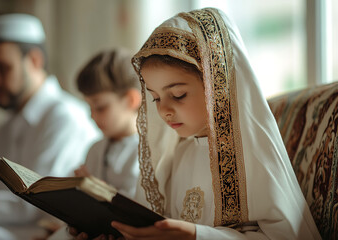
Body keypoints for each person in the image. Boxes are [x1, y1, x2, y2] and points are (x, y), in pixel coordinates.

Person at [71, 8, 322, 240]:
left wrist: (196, 236)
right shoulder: (175, 155)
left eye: (178, 94)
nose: (164, 110)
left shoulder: (254, 155)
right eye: (156, 97)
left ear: (219, 87)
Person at [0, 13, 100, 239]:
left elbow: (31, 205)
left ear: (34, 60)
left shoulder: (66, 118)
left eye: (2, 68)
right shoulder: (5, 128)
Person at [47, 49, 142, 240]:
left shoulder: (145, 152)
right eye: (89, 106)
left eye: (100, 107)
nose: (92, 115)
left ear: (131, 100)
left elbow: (138, 209)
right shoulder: (95, 148)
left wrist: (96, 189)